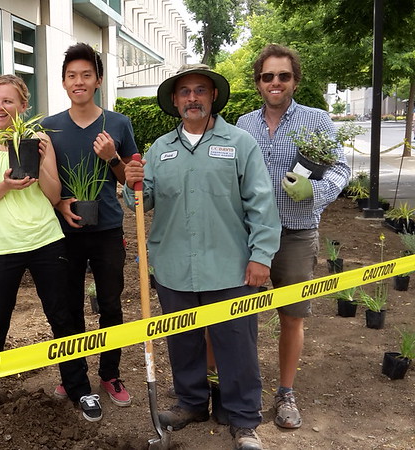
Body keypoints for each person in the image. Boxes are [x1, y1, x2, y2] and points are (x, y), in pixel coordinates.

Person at [123, 64, 281, 450]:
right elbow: (141, 204)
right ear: (175, 101)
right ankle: (192, 403)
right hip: (174, 267)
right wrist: (131, 183)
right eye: (184, 92)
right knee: (183, 342)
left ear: (212, 98)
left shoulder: (240, 143)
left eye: (200, 91)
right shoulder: (161, 149)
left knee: (237, 345)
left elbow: (261, 204)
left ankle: (243, 419)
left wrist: (261, 256)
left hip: (230, 267)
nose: (192, 98)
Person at [0, 74, 99, 435]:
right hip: (2, 247)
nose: (0, 107)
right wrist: (5, 185)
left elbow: (52, 195)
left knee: (62, 318)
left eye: (8, 101)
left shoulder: (39, 139)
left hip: (47, 240)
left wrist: (43, 160)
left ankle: (80, 389)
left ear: (23, 107)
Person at [236, 44, 350, 430]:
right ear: (258, 82)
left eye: (283, 76)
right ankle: (240, 388)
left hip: (296, 234)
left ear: (295, 80)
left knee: (291, 317)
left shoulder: (316, 120)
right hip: (249, 238)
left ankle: (285, 392)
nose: (275, 83)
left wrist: (314, 193)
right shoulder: (243, 124)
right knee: (241, 316)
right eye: (268, 76)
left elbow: (340, 169)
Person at [42, 43, 139, 408]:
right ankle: (73, 376)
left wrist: (111, 155)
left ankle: (110, 374)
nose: (78, 82)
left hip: (108, 230)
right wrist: (58, 202)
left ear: (98, 80)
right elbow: (42, 178)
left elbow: (131, 179)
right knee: (67, 307)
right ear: (64, 82)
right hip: (62, 232)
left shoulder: (118, 123)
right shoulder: (49, 127)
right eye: (71, 76)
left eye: (86, 75)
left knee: (111, 304)